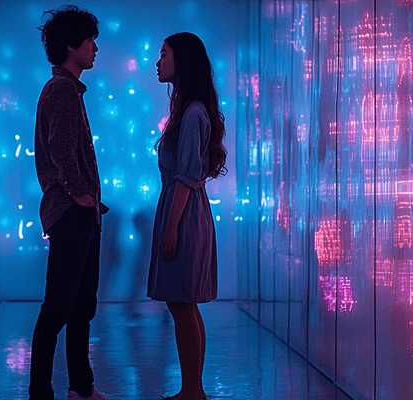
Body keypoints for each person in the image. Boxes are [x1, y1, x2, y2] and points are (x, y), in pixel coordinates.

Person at [29, 5, 110, 400]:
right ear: (71, 44)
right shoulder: (61, 89)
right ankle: (41, 392)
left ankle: (81, 386)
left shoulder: (68, 88)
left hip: (82, 213)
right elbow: (60, 148)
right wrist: (80, 194)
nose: (96, 47)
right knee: (59, 308)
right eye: (90, 39)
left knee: (80, 307)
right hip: (71, 213)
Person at [149, 32, 227, 400]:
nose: (158, 62)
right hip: (185, 209)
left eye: (163, 55)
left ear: (182, 60)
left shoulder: (193, 113)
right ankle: (192, 390)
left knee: (182, 303)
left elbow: (186, 175)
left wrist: (171, 227)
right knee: (183, 304)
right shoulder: (190, 110)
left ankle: (192, 391)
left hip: (184, 213)